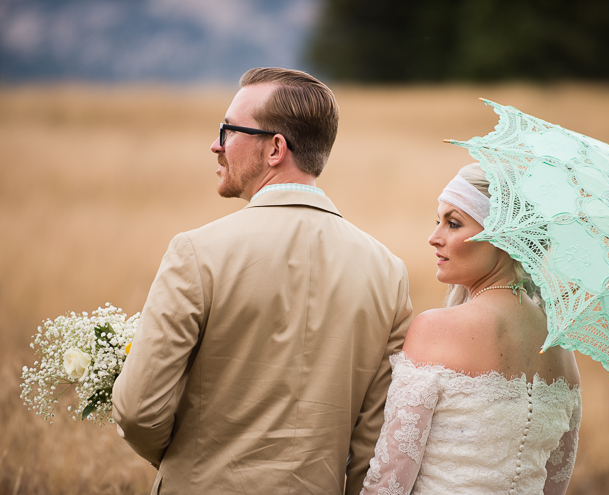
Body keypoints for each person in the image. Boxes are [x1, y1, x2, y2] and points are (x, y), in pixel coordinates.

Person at [112, 67, 413, 495]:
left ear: (275, 148)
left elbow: (138, 411)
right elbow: (374, 446)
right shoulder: (388, 272)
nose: (215, 145)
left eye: (229, 130)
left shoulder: (197, 252)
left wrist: (189, 463)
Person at [360, 164, 581, 495]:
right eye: (438, 221)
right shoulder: (560, 351)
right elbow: (555, 485)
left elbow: (390, 482)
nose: (434, 238)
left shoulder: (436, 329)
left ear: (501, 236)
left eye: (453, 223)